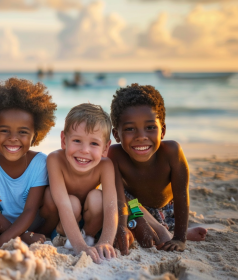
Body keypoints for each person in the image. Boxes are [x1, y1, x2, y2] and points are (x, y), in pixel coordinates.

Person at [108, 83, 207, 255]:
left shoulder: (172, 153)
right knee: (121, 197)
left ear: (163, 131)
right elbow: (117, 198)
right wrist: (121, 228)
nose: (141, 136)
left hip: (167, 213)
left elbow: (182, 196)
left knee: (145, 220)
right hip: (132, 207)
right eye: (130, 129)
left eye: (150, 127)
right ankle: (160, 231)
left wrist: (180, 238)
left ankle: (167, 231)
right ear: (116, 134)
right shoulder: (114, 155)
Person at [0, 77, 58, 248]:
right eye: (4, 131)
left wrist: (25, 235)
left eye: (22, 132)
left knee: (51, 198)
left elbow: (30, 211)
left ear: (34, 136)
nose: (13, 138)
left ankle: (45, 235)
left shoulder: (40, 162)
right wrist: (23, 237)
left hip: (35, 227)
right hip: (1, 226)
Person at [47, 103, 117, 264]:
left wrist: (106, 240)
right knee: (72, 203)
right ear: (64, 140)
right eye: (77, 140)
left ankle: (90, 238)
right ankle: (67, 239)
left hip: (88, 222)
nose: (84, 150)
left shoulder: (106, 165)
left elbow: (110, 205)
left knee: (97, 198)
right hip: (63, 224)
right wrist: (80, 246)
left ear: (106, 147)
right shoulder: (55, 159)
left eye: (94, 143)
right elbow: (63, 204)